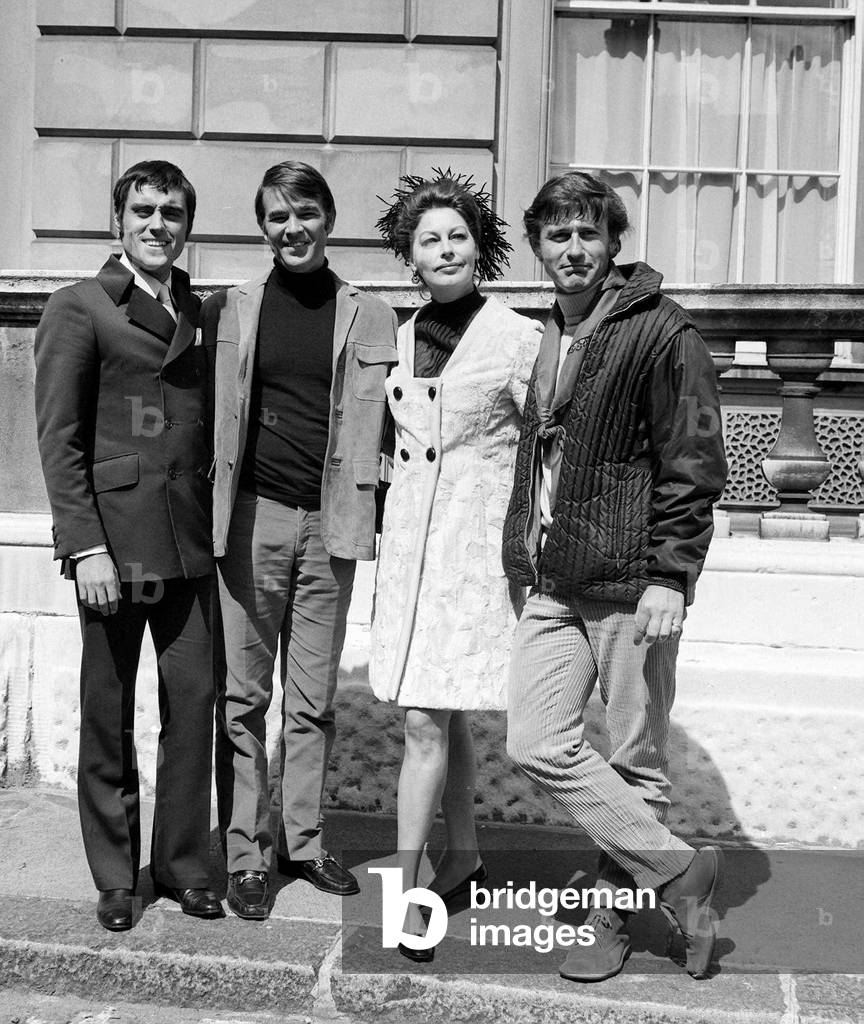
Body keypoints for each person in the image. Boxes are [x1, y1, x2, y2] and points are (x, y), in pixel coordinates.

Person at [502, 171, 728, 981]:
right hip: (555, 580)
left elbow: (694, 462)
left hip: (635, 582)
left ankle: (613, 918)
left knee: (636, 761)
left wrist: (672, 575)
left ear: (613, 243)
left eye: (587, 233)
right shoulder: (544, 335)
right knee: (534, 740)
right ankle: (676, 869)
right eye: (557, 234)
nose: (572, 249)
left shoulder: (664, 332)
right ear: (538, 246)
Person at [202, 161, 399, 920]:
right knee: (245, 699)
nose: (294, 229)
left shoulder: (371, 315)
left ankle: (305, 843)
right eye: (279, 217)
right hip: (251, 520)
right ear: (263, 227)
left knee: (312, 702)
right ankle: (246, 854)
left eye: (306, 213)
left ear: (328, 218)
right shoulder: (232, 309)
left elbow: (403, 416)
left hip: (331, 527)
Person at [34, 160, 221, 931]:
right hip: (114, 549)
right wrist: (85, 550)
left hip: (188, 544)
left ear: (186, 227)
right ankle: (116, 873)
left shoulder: (201, 310)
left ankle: (178, 863)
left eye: (172, 213)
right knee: (107, 712)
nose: (157, 224)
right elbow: (60, 440)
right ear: (118, 222)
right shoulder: (80, 308)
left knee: (194, 702)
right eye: (142, 210)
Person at [370, 171, 543, 963]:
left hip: (472, 559)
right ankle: (465, 856)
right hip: (412, 556)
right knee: (444, 709)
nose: (445, 249)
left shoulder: (515, 338)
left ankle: (407, 901)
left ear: (481, 249)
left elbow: (551, 445)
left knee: (423, 722)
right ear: (410, 255)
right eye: (430, 239)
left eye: (458, 236)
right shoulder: (400, 338)